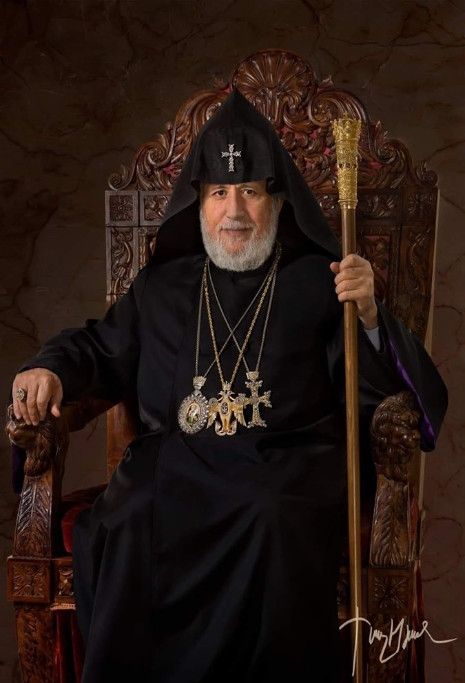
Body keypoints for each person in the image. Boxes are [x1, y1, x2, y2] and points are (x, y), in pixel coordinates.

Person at [10, 89, 448, 682]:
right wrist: (50, 368)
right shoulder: (163, 286)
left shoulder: (320, 285)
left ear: (277, 201)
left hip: (285, 465)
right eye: (219, 192)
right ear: (199, 204)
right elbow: (98, 345)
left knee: (270, 515)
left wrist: (368, 315)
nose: (234, 209)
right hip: (178, 463)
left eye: (250, 191)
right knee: (130, 515)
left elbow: (375, 390)